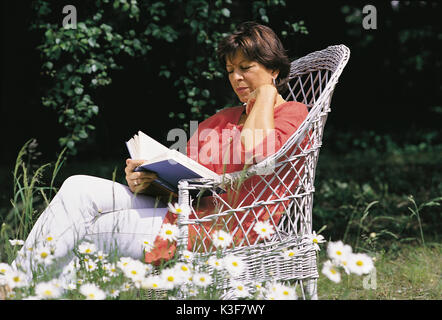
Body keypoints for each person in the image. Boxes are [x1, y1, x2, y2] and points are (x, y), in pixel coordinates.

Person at [11, 21, 309, 277]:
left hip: (219, 228)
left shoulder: (294, 114)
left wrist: (268, 91)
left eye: (246, 68)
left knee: (85, 230)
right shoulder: (220, 119)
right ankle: (17, 284)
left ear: (273, 67)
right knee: (78, 187)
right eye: (230, 70)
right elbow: (184, 182)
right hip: (178, 211)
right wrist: (145, 181)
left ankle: (22, 288)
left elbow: (256, 148)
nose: (236, 78)